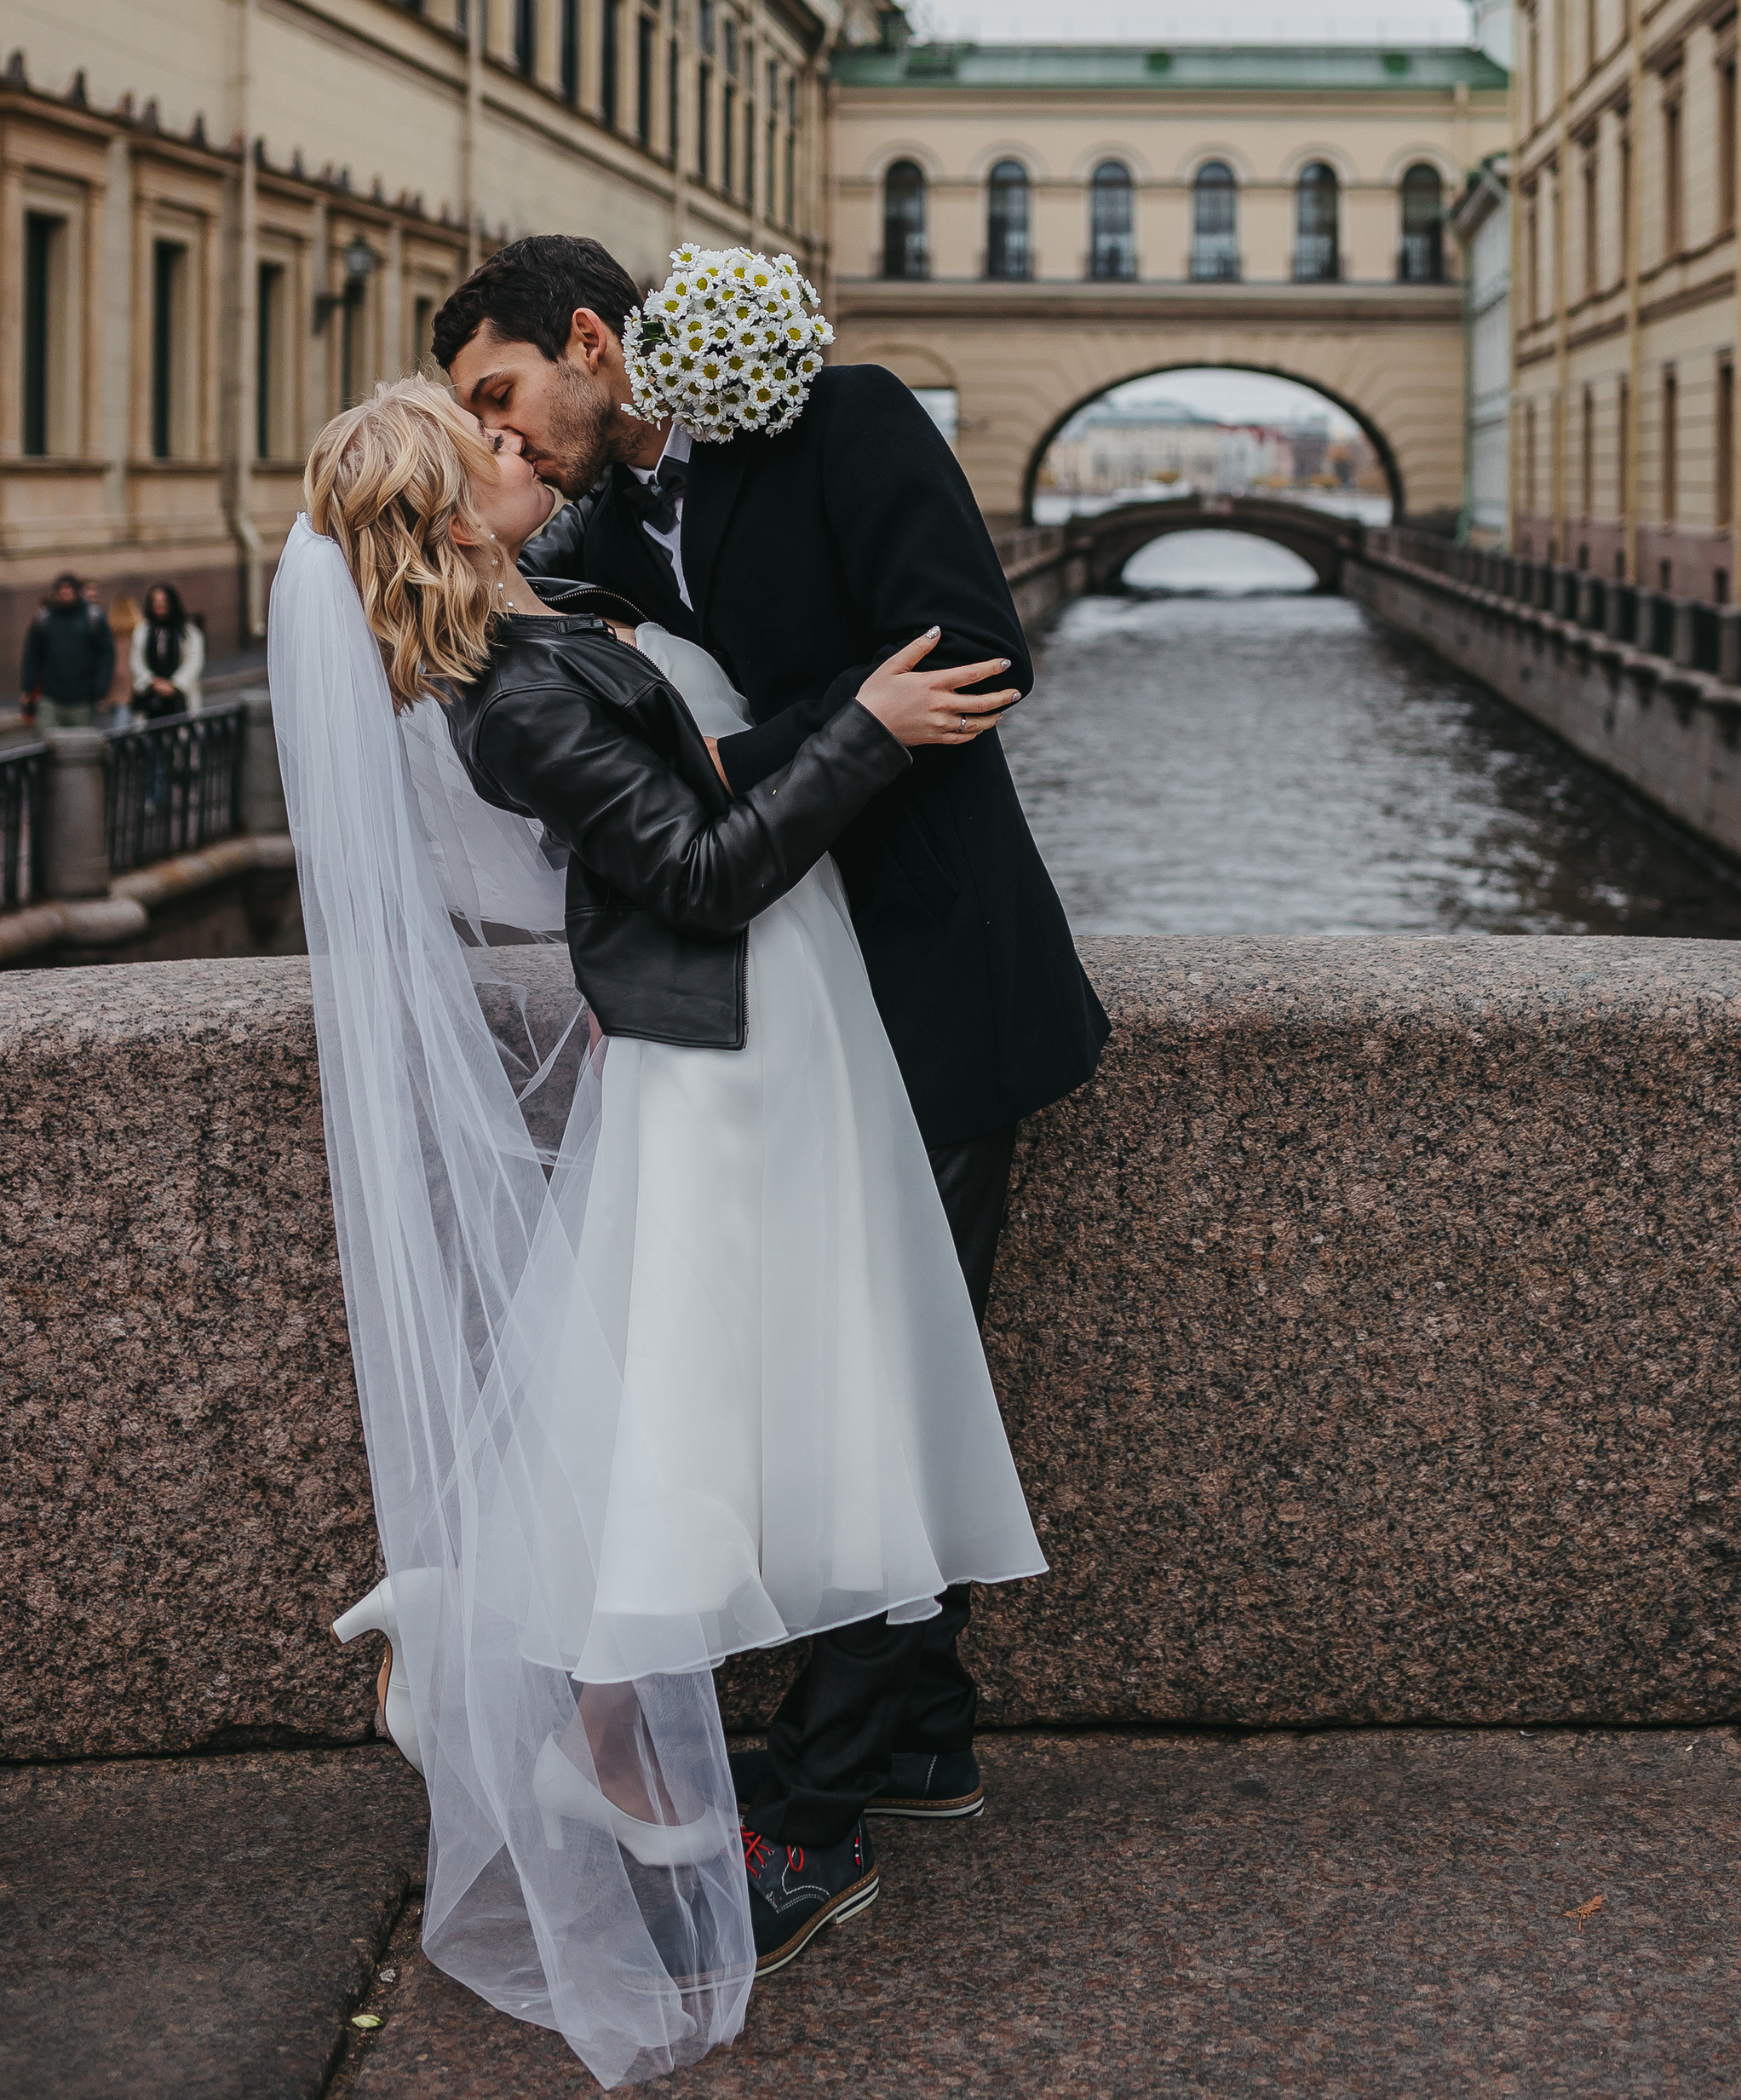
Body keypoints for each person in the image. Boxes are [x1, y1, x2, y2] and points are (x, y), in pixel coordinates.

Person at [277, 379, 1046, 2079]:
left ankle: (537, 1678)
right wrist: (873, 729)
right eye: (479, 438)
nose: (517, 443)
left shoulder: (556, 619)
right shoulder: (500, 690)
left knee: (707, 1400)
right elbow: (701, 868)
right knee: (722, 1403)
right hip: (738, 1053)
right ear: (434, 505)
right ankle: (546, 1696)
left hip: (776, 1030)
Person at [434, 234, 1106, 1855]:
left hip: (927, 980)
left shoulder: (849, 418)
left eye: (504, 396)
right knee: (853, 1390)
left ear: (591, 338)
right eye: (475, 425)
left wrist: (730, 761)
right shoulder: (597, 522)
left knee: (883, 1394)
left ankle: (807, 1805)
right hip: (768, 1013)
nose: (501, 440)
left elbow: (974, 656)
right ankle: (925, 1744)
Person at [19, 573, 116, 728]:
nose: (65, 594)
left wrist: (100, 688)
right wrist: (27, 688)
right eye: (62, 590)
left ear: (77, 592)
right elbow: (32, 655)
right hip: (50, 695)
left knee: (79, 745)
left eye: (69, 590)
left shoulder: (93, 617)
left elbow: (106, 654)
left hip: (83, 697)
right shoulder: (44, 619)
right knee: (47, 741)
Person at [130, 584, 204, 722]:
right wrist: (153, 681)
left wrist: (175, 684)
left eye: (163, 602)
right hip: (151, 697)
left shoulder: (188, 632)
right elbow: (137, 660)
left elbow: (194, 660)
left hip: (179, 698)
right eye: (156, 602)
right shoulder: (143, 630)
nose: (159, 606)